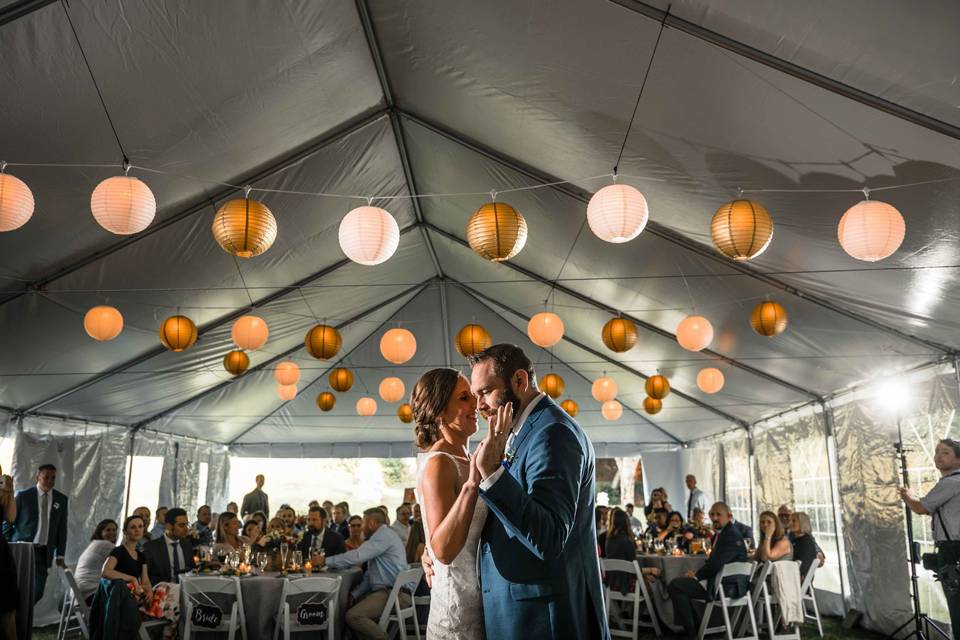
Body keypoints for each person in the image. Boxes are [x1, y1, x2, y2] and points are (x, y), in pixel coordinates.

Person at [468, 344, 608, 639]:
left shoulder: (552, 433)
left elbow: (550, 535)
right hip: (523, 609)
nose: (478, 405)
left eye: (485, 392)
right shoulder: (523, 430)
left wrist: (493, 474)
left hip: (544, 617)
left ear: (519, 381)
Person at [412, 367, 487, 639]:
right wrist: (474, 483)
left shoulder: (469, 459)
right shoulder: (440, 463)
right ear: (439, 411)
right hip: (457, 610)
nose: (477, 404)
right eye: (464, 398)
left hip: (483, 600)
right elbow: (442, 549)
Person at [318, 508, 407, 640]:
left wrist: (325, 560)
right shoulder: (384, 536)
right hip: (389, 592)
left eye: (363, 523)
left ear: (371, 523)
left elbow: (357, 556)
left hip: (395, 595)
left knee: (353, 616)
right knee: (346, 607)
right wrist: (355, 594)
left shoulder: (383, 536)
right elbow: (371, 575)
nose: (362, 528)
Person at [901, 438, 960, 633]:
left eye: (945, 453)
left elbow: (921, 507)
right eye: (937, 452)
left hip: (953, 550)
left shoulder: (951, 482)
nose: (938, 456)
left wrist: (906, 496)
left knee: (957, 607)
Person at [667, 502, 747, 639]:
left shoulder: (731, 535)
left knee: (676, 585)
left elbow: (715, 565)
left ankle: (691, 632)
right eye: (712, 514)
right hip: (724, 582)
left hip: (728, 587)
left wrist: (697, 576)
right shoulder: (724, 533)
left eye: (718, 514)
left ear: (729, 516)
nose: (714, 518)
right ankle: (695, 627)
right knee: (681, 584)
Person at [3, 463, 68, 603]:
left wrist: (60, 554)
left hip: (43, 553)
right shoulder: (23, 496)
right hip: (22, 549)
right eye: (46, 477)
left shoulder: (61, 499)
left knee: (37, 592)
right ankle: (17, 621)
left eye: (53, 478)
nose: (50, 481)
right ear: (37, 477)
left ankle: (19, 617)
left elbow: (62, 529)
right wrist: (6, 545)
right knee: (14, 587)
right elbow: (8, 522)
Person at [102, 515, 153, 606]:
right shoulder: (118, 551)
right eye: (133, 527)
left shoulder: (141, 555)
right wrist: (132, 578)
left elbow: (145, 580)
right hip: (119, 595)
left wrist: (149, 591)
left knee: (166, 589)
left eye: (140, 526)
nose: (137, 530)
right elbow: (105, 572)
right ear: (125, 532)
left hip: (135, 593)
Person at [143, 507, 195, 586]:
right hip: (161, 594)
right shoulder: (151, 548)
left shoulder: (187, 545)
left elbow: (192, 571)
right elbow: (146, 578)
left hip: (185, 592)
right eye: (181, 525)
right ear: (168, 527)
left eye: (186, 525)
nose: (186, 529)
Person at [74, 519, 118, 599]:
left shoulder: (94, 544)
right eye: (108, 530)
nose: (112, 533)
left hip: (78, 593)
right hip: (90, 593)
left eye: (114, 530)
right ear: (100, 532)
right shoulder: (104, 545)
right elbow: (124, 559)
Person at [0, 470, 18, 640]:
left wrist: (10, 492)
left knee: (6, 607)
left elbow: (11, 517)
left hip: (1, 556)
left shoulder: (3, 489)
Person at [604, 508, 636, 593]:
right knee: (655, 582)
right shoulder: (627, 541)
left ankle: (626, 606)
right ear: (627, 523)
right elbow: (633, 565)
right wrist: (650, 570)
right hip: (625, 585)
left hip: (611, 582)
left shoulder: (608, 540)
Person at [788, 512, 820, 580]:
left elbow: (805, 562)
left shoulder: (806, 542)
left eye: (794, 521)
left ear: (802, 523)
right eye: (790, 520)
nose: (790, 523)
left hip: (798, 579)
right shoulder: (797, 540)